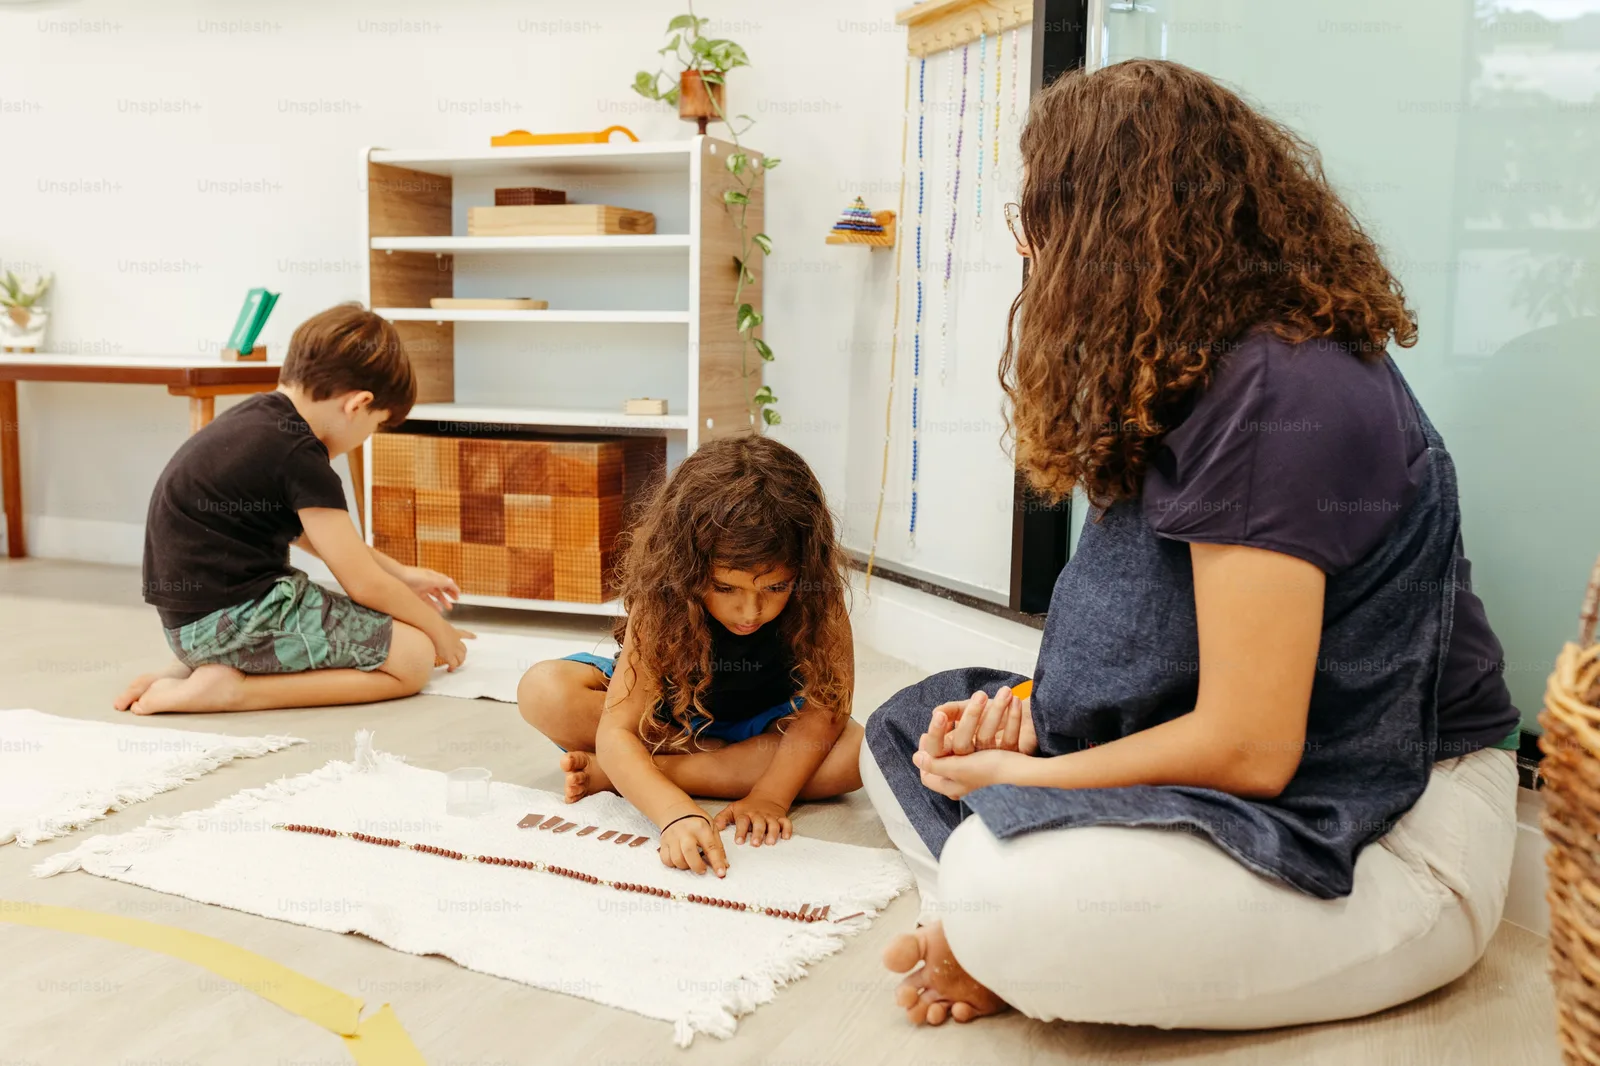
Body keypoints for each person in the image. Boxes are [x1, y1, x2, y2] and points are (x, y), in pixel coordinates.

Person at [862, 60, 1522, 1029]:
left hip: (1394, 833)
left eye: (1040, 219)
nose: (1026, 248)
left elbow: (1250, 745)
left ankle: (974, 929)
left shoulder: (1277, 393)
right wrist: (1028, 720)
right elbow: (1162, 635)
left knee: (997, 879)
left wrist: (1032, 778)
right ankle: (972, 936)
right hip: (1281, 775)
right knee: (899, 737)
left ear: (1112, 230)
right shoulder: (1190, 372)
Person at [517, 435, 860, 876]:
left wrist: (771, 796)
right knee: (543, 690)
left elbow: (829, 710)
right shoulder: (662, 596)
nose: (750, 611)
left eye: (775, 588)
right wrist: (674, 813)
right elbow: (619, 728)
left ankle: (635, 774)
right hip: (667, 719)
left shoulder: (819, 593)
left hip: (764, 725)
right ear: (687, 567)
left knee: (855, 754)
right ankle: (668, 771)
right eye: (725, 588)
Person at [116, 302, 470, 714]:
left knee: (387, 624)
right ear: (357, 405)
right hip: (236, 622)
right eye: (375, 426)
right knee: (412, 658)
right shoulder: (302, 456)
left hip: (190, 629)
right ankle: (231, 691)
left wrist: (403, 575)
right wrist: (438, 631)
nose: (366, 437)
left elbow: (322, 543)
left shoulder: (259, 419)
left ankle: (190, 674)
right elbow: (364, 585)